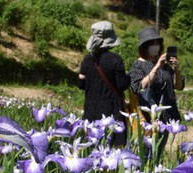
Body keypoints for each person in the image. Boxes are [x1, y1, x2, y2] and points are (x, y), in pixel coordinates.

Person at [128, 27, 185, 159]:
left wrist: (176, 70)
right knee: (147, 157)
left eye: (157, 43)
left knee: (157, 156)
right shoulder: (138, 65)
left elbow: (179, 86)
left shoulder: (165, 66)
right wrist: (156, 67)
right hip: (149, 118)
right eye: (152, 43)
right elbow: (139, 87)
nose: (156, 46)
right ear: (144, 46)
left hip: (166, 117)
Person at [79, 21, 130, 147]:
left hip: (91, 109)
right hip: (111, 110)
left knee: (91, 147)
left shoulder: (87, 59)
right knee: (112, 147)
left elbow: (81, 84)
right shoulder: (115, 59)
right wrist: (129, 77)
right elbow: (121, 85)